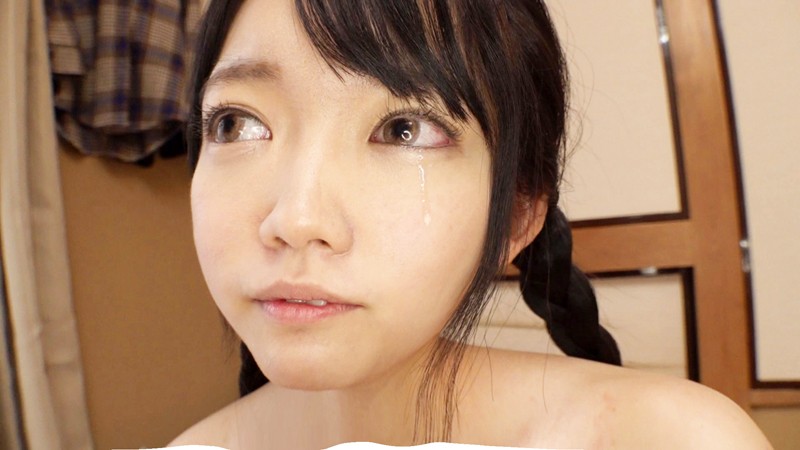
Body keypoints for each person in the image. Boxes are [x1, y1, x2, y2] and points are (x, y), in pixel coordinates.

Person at [170, 0, 772, 448]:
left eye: (403, 129)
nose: (297, 220)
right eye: (236, 123)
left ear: (513, 217)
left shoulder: (671, 439)